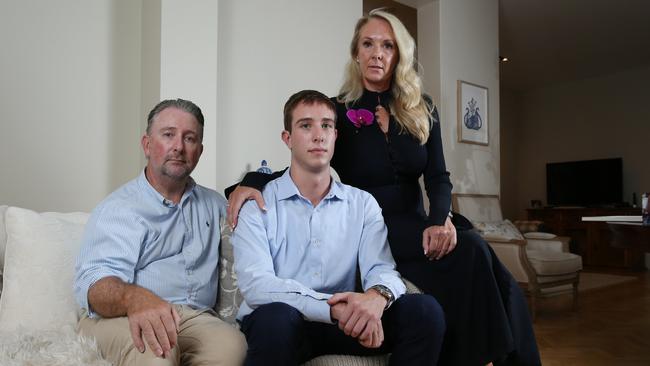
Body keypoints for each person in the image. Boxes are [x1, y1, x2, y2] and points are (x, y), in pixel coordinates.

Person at [226, 9, 541, 366]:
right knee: (471, 253)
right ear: (356, 53)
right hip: (372, 228)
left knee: (476, 250)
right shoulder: (339, 111)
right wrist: (249, 182)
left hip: (418, 225)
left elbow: (438, 176)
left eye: (387, 46)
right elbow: (309, 156)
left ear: (398, 55)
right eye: (368, 44)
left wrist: (440, 220)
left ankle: (510, 358)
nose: (377, 53)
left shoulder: (422, 109)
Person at [233, 89, 445, 366]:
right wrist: (332, 310)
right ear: (288, 139)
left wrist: (375, 298)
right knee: (275, 319)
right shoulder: (257, 204)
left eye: (327, 126)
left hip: (347, 324)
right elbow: (257, 285)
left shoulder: (362, 203)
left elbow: (381, 268)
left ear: (335, 136)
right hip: (286, 325)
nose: (318, 135)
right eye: (306, 125)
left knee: (425, 312)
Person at [74, 99, 246, 366]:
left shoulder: (215, 206)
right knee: (157, 352)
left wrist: (252, 186)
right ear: (147, 144)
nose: (178, 146)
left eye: (189, 138)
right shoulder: (120, 209)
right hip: (118, 317)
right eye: (168, 135)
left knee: (232, 346)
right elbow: (94, 287)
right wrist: (137, 299)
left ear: (199, 151)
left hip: (192, 319)